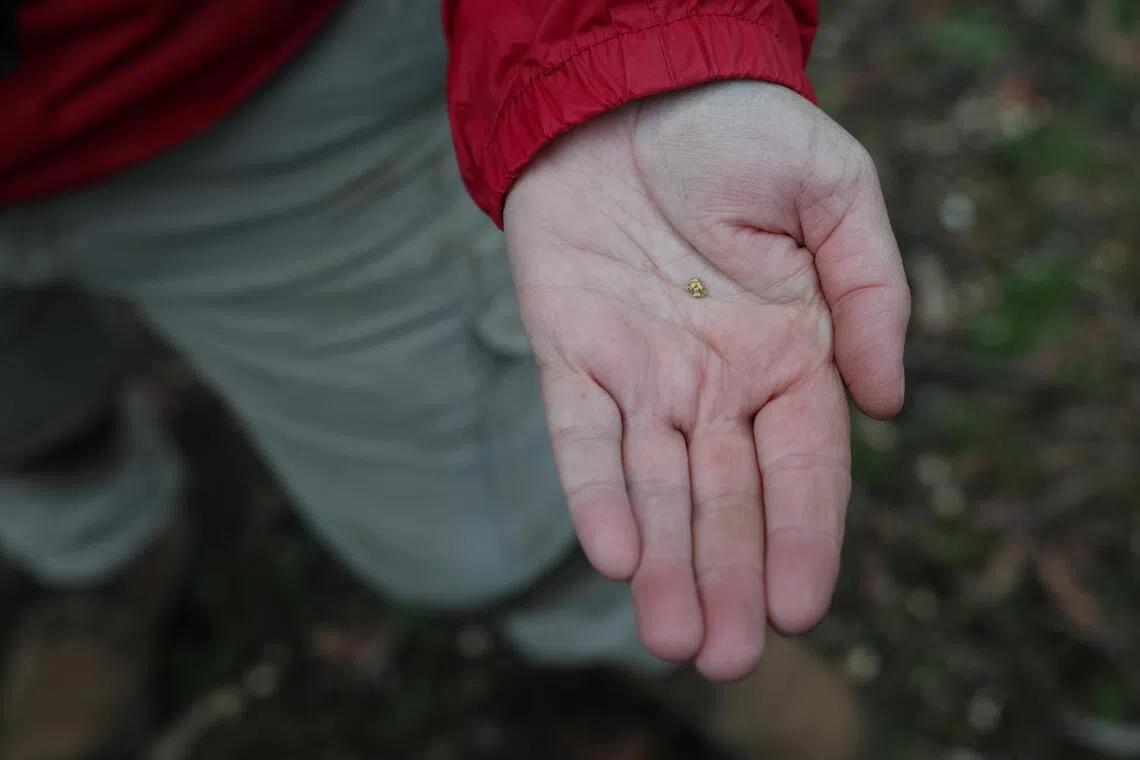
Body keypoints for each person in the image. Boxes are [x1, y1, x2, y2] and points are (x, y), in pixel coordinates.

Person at [0, 0, 911, 758]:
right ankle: (98, 553)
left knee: (479, 491)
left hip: (249, 73)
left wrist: (635, 44)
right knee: (25, 412)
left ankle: (618, 625)